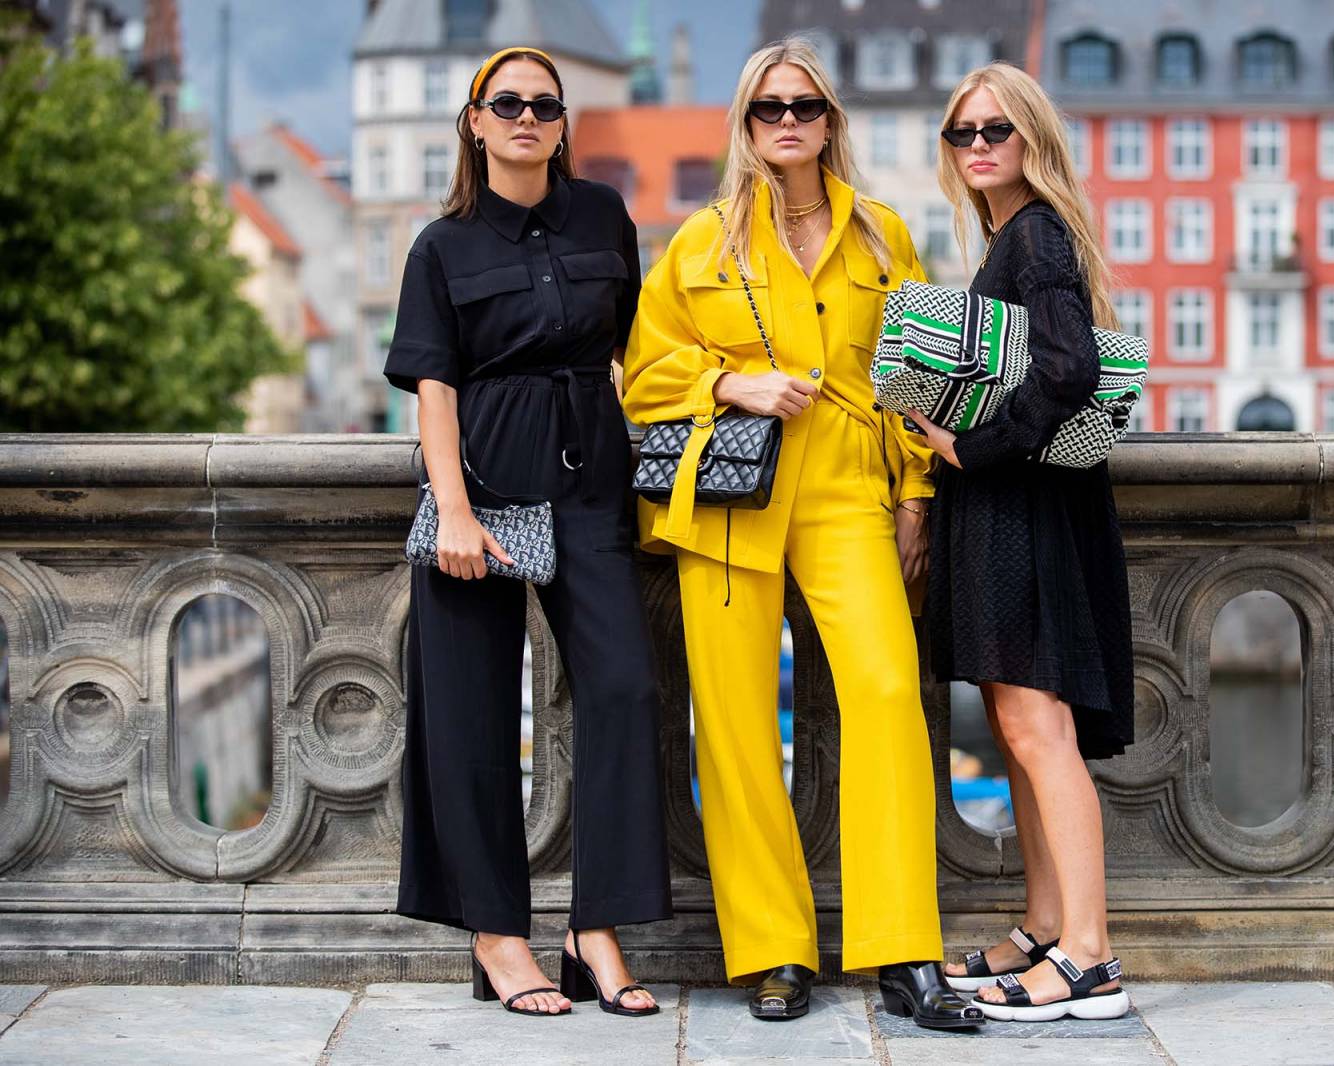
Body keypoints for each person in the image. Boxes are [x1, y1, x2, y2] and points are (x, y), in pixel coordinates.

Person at [622, 38, 983, 1031]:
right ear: (743, 123)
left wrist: (915, 502)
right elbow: (643, 373)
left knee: (882, 696)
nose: (787, 121)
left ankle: (903, 949)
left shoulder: (882, 236)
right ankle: (772, 949)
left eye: (805, 105)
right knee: (736, 726)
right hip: (731, 501)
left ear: (831, 119)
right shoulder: (699, 242)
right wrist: (728, 382)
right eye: (768, 107)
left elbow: (914, 380)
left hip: (846, 491)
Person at [385, 46, 671, 1019]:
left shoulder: (602, 217)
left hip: (592, 479)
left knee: (626, 688)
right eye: (504, 102)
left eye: (543, 105)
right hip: (484, 484)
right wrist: (454, 509)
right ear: (474, 121)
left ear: (562, 124)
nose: (525, 116)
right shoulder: (441, 245)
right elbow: (433, 387)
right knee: (467, 714)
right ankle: (499, 938)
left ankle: (597, 930)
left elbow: (634, 352)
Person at [909, 62, 1134, 1023]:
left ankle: (1089, 957)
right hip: (1023, 509)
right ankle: (1045, 929)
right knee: (1017, 728)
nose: (978, 147)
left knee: (1041, 733)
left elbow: (1070, 368)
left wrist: (972, 445)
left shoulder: (1036, 232)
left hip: (1025, 510)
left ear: (1033, 137)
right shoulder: (1017, 233)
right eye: (962, 135)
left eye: (995, 129)